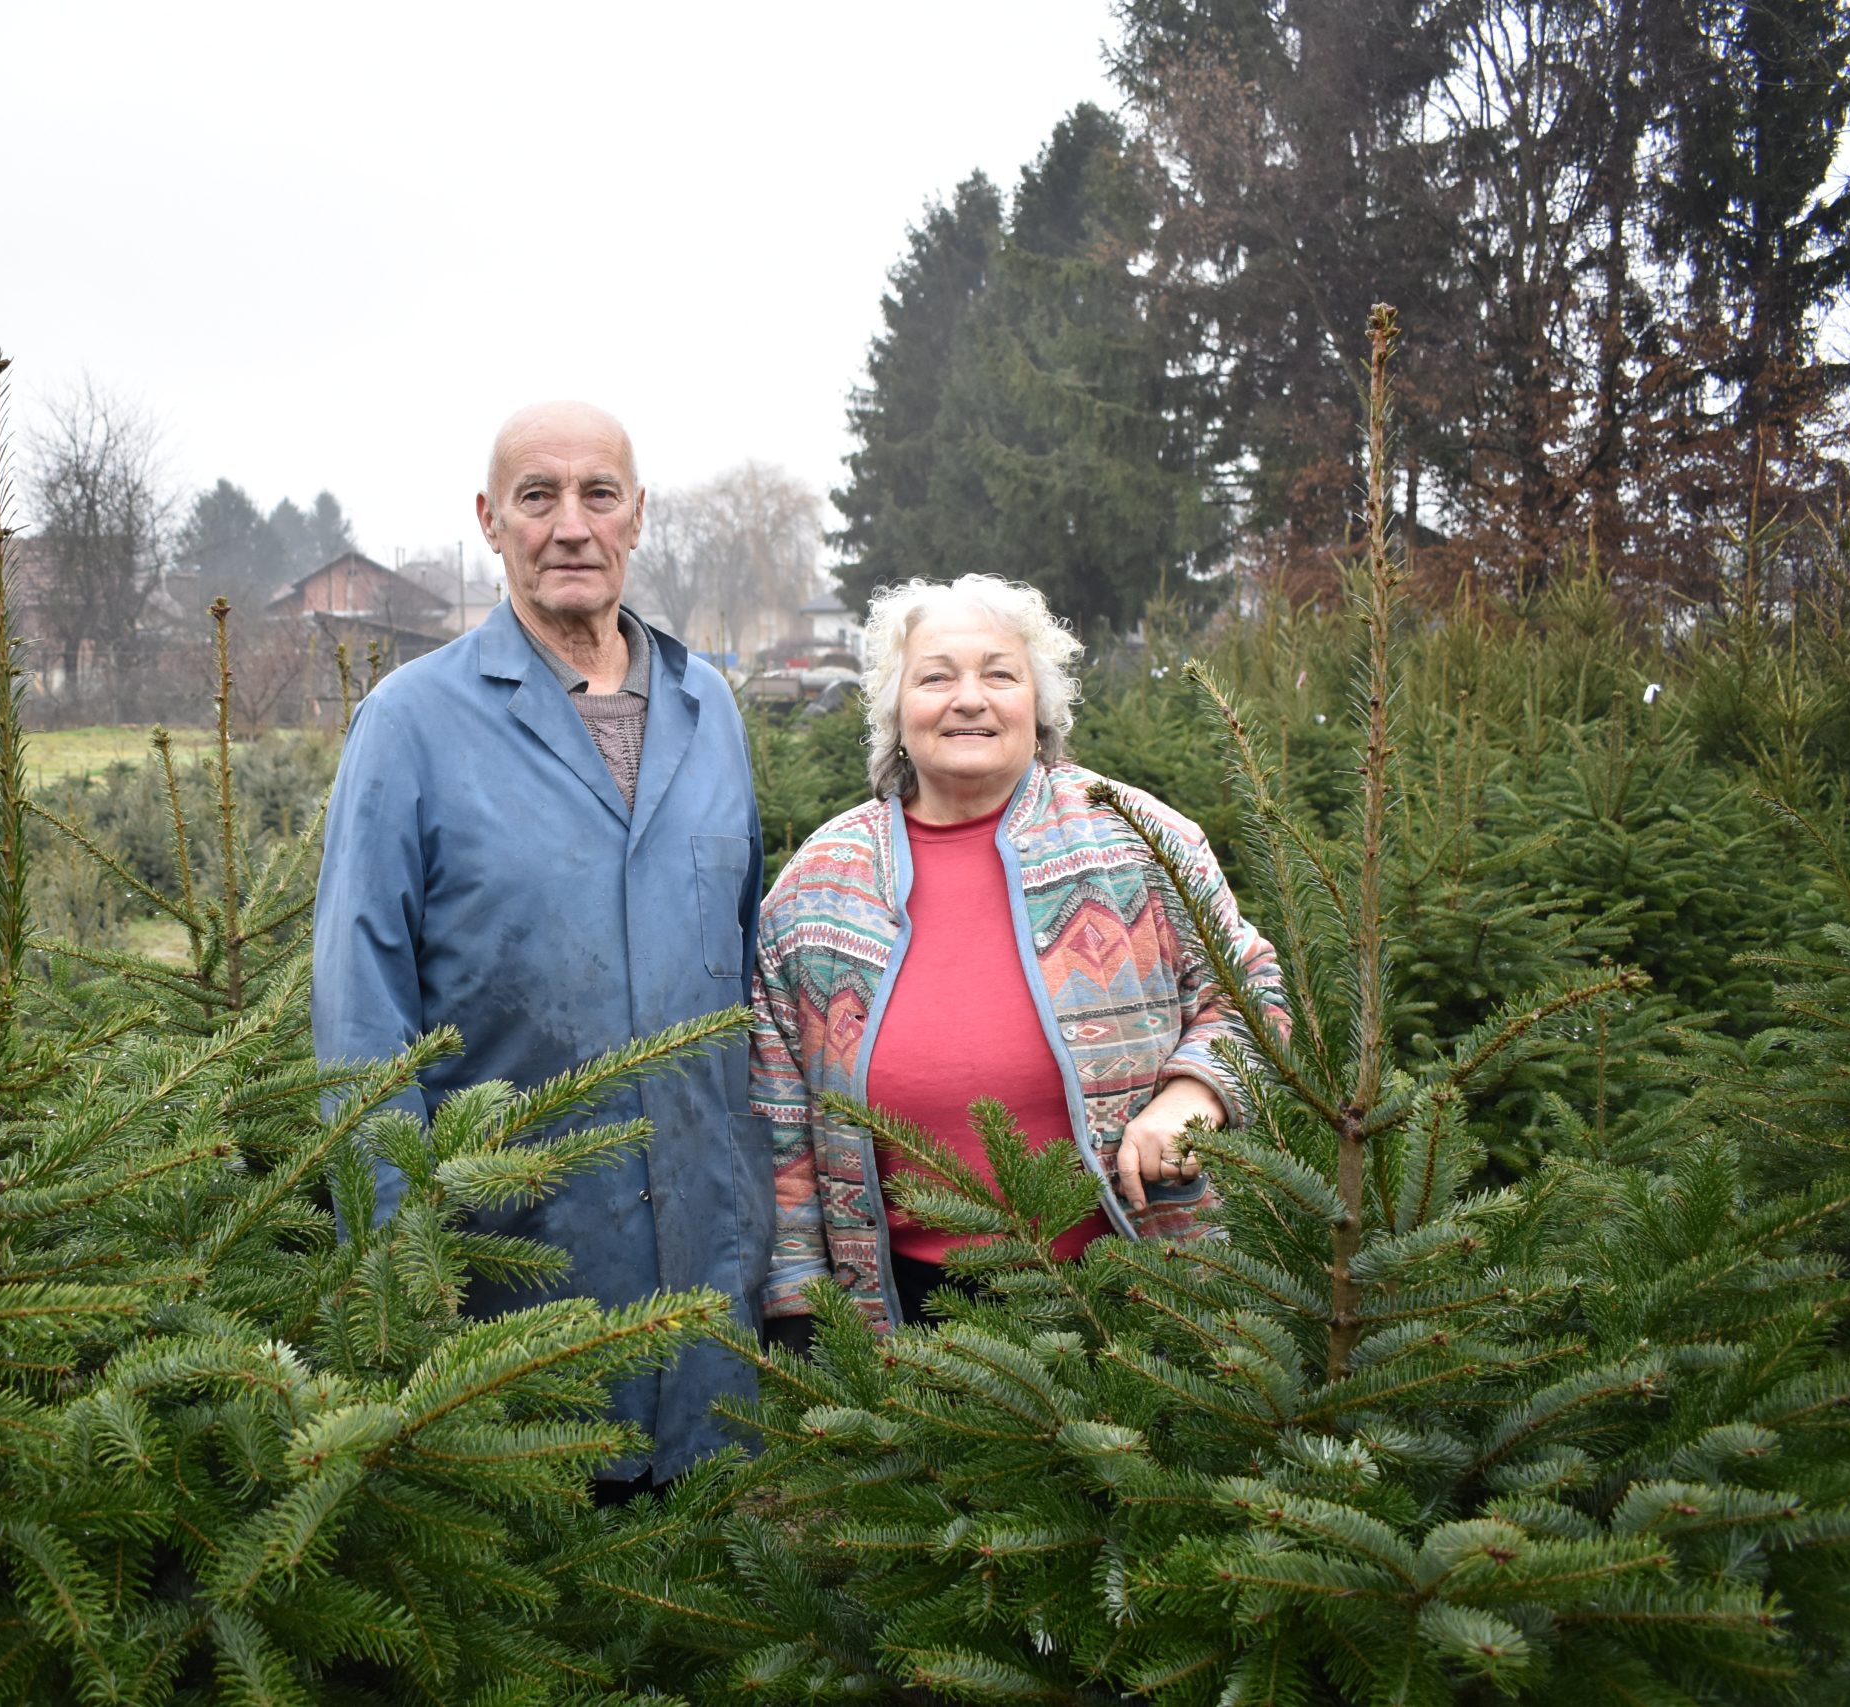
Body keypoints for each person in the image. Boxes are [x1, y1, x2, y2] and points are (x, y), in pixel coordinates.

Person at [312, 400, 771, 1492]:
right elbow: (360, 1013)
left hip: (710, 1281)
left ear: (636, 516)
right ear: (490, 519)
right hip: (514, 1287)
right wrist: (402, 1271)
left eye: (598, 494)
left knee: (714, 1563)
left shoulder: (709, 707)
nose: (571, 525)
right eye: (538, 496)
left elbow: (747, 962)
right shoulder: (411, 723)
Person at [753, 573, 1284, 1342]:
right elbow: (779, 1114)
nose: (969, 699)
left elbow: (1255, 990)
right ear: (896, 709)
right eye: (936, 677)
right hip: (900, 1316)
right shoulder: (818, 883)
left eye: (999, 674)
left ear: (1039, 705)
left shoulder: (1138, 838)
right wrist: (800, 1305)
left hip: (1140, 1292)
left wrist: (1193, 1095)